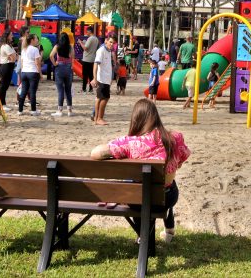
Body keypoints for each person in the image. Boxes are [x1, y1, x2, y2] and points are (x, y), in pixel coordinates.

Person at [90, 98, 191, 243]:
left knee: (133, 187)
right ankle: (169, 230)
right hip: (167, 198)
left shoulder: (129, 143)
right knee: (166, 185)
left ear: (136, 119)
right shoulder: (176, 138)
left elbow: (95, 153)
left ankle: (142, 236)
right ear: (156, 116)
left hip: (138, 200)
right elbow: (180, 162)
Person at [91, 36, 115, 125]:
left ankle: (98, 118)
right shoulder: (101, 51)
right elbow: (95, 65)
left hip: (106, 79)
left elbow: (108, 66)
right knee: (102, 98)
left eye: (113, 43)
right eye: (110, 42)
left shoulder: (109, 52)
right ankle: (98, 118)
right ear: (106, 41)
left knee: (102, 98)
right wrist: (95, 78)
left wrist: (111, 78)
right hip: (101, 79)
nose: (112, 44)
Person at [18, 34, 42, 115]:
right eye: (36, 39)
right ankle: (33, 110)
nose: (37, 40)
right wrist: (39, 73)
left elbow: (22, 62)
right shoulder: (35, 49)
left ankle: (20, 110)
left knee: (23, 91)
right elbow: (37, 63)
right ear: (32, 40)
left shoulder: (23, 49)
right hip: (33, 72)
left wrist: (22, 71)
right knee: (32, 92)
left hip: (24, 72)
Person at [51, 33, 75, 117]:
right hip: (68, 68)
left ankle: (60, 110)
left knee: (60, 90)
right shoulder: (70, 47)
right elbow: (73, 58)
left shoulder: (57, 46)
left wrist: (55, 64)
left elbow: (51, 56)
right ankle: (70, 110)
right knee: (68, 90)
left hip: (59, 68)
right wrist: (71, 66)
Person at [0, 31, 17, 107]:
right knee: (3, 86)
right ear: (7, 36)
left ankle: (3, 103)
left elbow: (15, 56)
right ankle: (0, 103)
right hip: (6, 66)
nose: (12, 36)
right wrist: (13, 56)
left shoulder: (9, 46)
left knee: (5, 86)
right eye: (11, 35)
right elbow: (14, 57)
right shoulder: (5, 46)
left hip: (9, 66)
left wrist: (13, 56)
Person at [79, 26, 99, 93]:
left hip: (86, 59)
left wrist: (81, 43)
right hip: (93, 59)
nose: (86, 33)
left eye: (87, 31)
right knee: (91, 74)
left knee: (85, 75)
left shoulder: (90, 39)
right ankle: (91, 88)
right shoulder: (96, 39)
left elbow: (85, 48)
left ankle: (84, 89)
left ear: (90, 31)